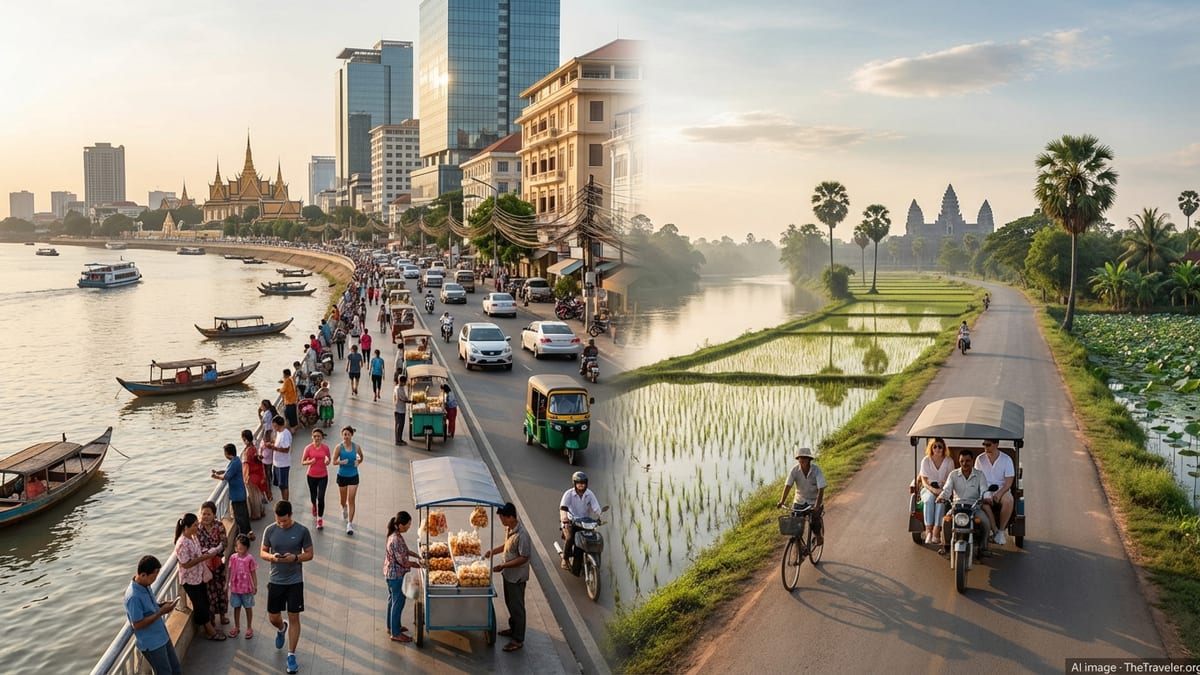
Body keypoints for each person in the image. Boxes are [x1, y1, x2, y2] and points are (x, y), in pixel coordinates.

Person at [261, 501, 313, 675]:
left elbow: (310, 554)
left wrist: (295, 558)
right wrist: (272, 557)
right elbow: (262, 552)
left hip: (295, 580)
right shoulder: (270, 530)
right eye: (278, 520)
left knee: (294, 617)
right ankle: (281, 629)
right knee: (273, 617)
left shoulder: (302, 531)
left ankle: (291, 655)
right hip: (276, 580)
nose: (281, 524)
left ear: (290, 515)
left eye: (284, 520)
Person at [124, 555, 181, 674]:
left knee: (175, 668)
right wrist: (161, 612)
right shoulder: (133, 597)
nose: (156, 578)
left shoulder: (145, 586)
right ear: (143, 574)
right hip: (152, 643)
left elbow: (150, 608)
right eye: (154, 575)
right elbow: (137, 624)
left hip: (162, 635)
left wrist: (161, 605)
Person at [486, 502, 531, 653]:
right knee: (510, 603)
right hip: (508, 575)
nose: (502, 521)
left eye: (503, 518)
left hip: (516, 577)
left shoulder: (522, 535)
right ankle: (513, 629)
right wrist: (493, 551)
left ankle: (518, 639)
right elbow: (506, 545)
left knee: (517, 607)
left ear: (511, 517)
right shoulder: (510, 529)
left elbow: (524, 557)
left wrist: (503, 566)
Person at [174, 513, 224, 641]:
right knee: (200, 605)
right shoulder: (182, 544)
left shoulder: (193, 537)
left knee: (204, 601)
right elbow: (185, 564)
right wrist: (203, 558)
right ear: (186, 527)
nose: (198, 527)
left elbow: (197, 553)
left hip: (198, 576)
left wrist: (206, 553)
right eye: (195, 525)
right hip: (190, 580)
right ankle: (210, 631)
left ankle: (209, 629)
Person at [937, 448, 990, 554]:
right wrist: (942, 496)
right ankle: (946, 546)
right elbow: (947, 489)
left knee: (985, 522)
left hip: (974, 507)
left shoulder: (979, 475)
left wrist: (987, 497)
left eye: (967, 461)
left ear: (972, 461)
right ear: (959, 461)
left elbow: (984, 489)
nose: (964, 463)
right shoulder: (953, 474)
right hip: (957, 506)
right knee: (946, 521)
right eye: (962, 461)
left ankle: (984, 548)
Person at [776, 447, 826, 546]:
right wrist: (782, 501)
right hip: (799, 500)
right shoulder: (794, 470)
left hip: (814, 501)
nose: (802, 460)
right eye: (800, 458)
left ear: (809, 459)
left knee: (814, 521)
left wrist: (816, 506)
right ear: (798, 459)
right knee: (795, 526)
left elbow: (821, 489)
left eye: (804, 458)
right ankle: (798, 550)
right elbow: (788, 485)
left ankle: (819, 536)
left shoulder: (816, 470)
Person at [384, 511, 421, 643]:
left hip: (390, 574)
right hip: (396, 576)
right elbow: (402, 561)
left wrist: (417, 555)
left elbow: (405, 551)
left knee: (392, 601)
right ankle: (395, 633)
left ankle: (392, 626)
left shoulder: (396, 535)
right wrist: (417, 564)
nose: (409, 527)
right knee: (398, 603)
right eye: (408, 524)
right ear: (400, 525)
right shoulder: (395, 539)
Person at [975, 439, 1016, 546]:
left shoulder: (1006, 459)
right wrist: (986, 493)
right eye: (984, 445)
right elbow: (978, 479)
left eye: (988, 445)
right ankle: (995, 530)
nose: (986, 447)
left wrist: (999, 493)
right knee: (983, 502)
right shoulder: (980, 459)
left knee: (1009, 500)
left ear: (996, 444)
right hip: (985, 489)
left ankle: (1001, 531)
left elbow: (1008, 482)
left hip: (1001, 489)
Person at [559, 471, 601, 571]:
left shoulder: (589, 494)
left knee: (593, 540)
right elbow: (563, 508)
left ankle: (594, 560)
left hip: (585, 522)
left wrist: (600, 516)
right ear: (574, 484)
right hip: (571, 521)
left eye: (583, 483)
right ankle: (564, 559)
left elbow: (596, 508)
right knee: (569, 538)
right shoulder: (568, 494)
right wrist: (564, 518)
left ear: (586, 484)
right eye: (578, 483)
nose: (581, 485)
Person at [197, 501, 230, 628]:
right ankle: (211, 619)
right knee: (209, 593)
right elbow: (198, 546)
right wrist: (207, 553)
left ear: (214, 515)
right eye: (203, 514)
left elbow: (224, 542)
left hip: (218, 563)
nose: (205, 517)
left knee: (221, 589)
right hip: (206, 566)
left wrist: (215, 551)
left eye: (208, 514)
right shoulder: (198, 528)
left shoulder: (219, 526)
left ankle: (222, 615)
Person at [919, 437, 953, 545]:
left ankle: (936, 531)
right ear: (931, 448)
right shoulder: (926, 460)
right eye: (935, 446)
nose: (937, 449)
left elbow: (951, 478)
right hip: (928, 488)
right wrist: (933, 489)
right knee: (929, 500)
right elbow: (924, 480)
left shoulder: (949, 461)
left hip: (943, 489)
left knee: (941, 501)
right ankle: (928, 530)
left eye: (940, 447)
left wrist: (944, 487)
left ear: (943, 448)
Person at [212, 442, 250, 538]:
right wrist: (220, 472)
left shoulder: (234, 462)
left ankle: (243, 536)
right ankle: (248, 533)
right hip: (240, 493)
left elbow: (227, 476)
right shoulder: (236, 460)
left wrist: (215, 476)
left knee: (240, 517)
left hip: (237, 495)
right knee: (244, 516)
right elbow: (229, 472)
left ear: (227, 453)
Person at [332, 426, 364, 535]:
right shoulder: (338, 447)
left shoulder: (357, 447)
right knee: (343, 499)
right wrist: (341, 462)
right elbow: (334, 461)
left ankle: (350, 524)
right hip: (342, 476)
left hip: (353, 476)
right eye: (344, 434)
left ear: (351, 435)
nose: (346, 436)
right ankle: (343, 507)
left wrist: (358, 462)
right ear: (342, 435)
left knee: (351, 499)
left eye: (348, 434)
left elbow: (361, 457)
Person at [226, 534, 258, 639]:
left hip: (247, 588)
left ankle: (249, 627)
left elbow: (253, 572)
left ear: (247, 548)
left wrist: (255, 585)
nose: (239, 550)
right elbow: (229, 571)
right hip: (235, 588)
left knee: (248, 607)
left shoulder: (250, 558)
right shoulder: (233, 558)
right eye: (237, 548)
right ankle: (237, 626)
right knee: (236, 607)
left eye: (242, 548)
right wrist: (227, 584)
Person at [301, 429, 331, 531]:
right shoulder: (308, 448)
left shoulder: (325, 448)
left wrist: (327, 461)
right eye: (315, 436)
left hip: (323, 476)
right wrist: (310, 461)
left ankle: (320, 518)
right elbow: (303, 462)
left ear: (322, 437)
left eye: (319, 436)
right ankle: (314, 505)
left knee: (321, 497)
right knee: (313, 496)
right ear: (312, 437)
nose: (317, 438)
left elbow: (328, 459)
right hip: (311, 476)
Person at [241, 429, 268, 523]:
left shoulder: (248, 451)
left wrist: (245, 477)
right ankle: (261, 511)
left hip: (250, 476)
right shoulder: (253, 448)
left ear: (245, 439)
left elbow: (246, 465)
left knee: (253, 497)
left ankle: (256, 515)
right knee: (258, 495)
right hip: (257, 475)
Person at [267, 415, 293, 502]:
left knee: (284, 485)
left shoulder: (285, 434)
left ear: (279, 425)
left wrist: (273, 448)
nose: (274, 428)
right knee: (280, 485)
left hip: (283, 463)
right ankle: (283, 500)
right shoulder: (279, 433)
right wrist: (272, 443)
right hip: (277, 463)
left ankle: (285, 502)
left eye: (274, 426)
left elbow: (286, 449)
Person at [393, 374, 410, 446]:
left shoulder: (400, 388)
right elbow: (403, 398)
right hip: (399, 409)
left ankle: (400, 439)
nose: (405, 383)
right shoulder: (398, 389)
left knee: (401, 425)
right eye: (405, 382)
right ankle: (398, 440)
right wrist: (411, 401)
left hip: (401, 409)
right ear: (402, 382)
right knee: (399, 425)